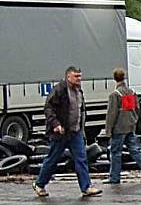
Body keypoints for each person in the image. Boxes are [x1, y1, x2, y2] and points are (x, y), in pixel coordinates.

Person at [32, 66, 102, 197]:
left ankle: (86, 187)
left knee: (81, 158)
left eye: (80, 76)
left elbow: (81, 110)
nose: (79, 79)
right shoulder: (59, 90)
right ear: (68, 77)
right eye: (76, 76)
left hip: (75, 132)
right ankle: (39, 184)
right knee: (52, 159)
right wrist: (56, 124)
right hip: (61, 133)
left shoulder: (79, 91)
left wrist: (82, 128)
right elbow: (48, 108)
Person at [104, 68, 141, 184]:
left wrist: (108, 130)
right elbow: (137, 109)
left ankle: (114, 178)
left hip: (119, 128)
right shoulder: (132, 93)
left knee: (115, 153)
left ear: (115, 78)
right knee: (136, 150)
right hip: (130, 126)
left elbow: (112, 114)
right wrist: (134, 120)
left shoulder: (115, 94)